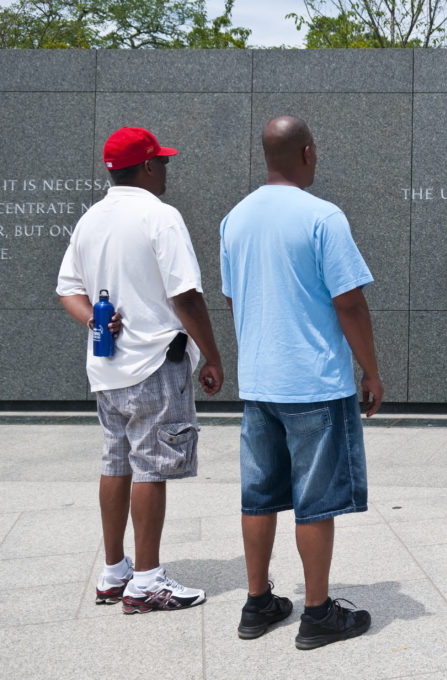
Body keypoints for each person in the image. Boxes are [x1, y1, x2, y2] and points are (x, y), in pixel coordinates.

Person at [220, 115, 384, 650]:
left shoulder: (235, 219)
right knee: (316, 502)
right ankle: (317, 613)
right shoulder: (323, 217)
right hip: (314, 383)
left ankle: (257, 603)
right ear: (308, 153)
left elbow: (232, 297)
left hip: (260, 383)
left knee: (259, 496)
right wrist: (372, 370)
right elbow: (350, 302)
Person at [56, 126, 224, 614]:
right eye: (163, 162)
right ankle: (147, 581)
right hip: (155, 360)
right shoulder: (160, 216)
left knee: (116, 463)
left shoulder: (90, 220)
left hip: (108, 363)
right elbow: (186, 295)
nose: (166, 171)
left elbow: (68, 289)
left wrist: (95, 319)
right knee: (151, 466)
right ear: (147, 166)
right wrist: (211, 355)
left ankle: (114, 572)